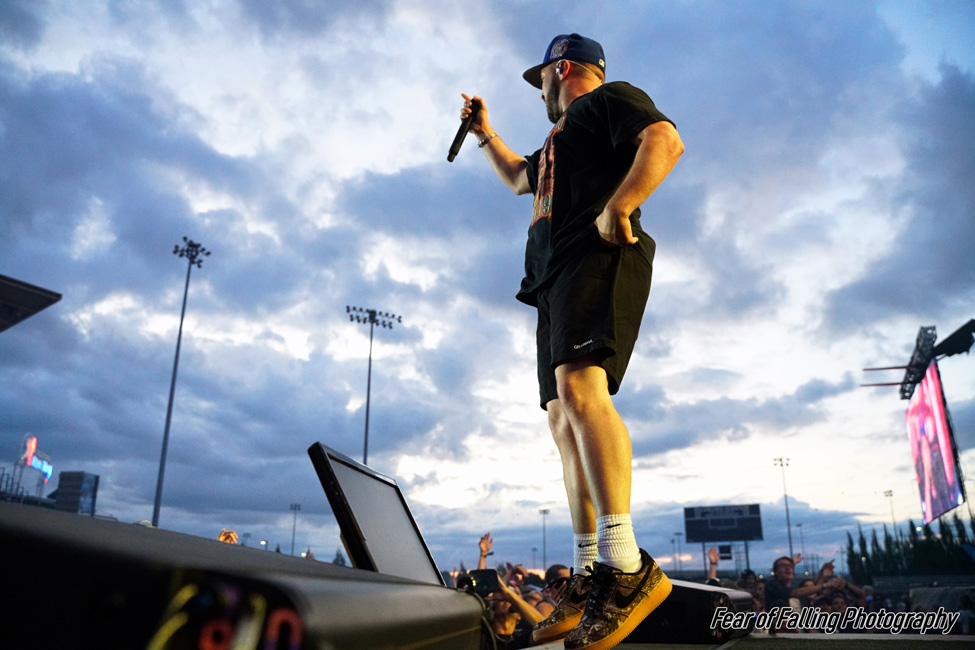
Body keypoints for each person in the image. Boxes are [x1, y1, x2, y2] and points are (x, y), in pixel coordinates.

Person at [460, 32, 684, 650]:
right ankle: (588, 574)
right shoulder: (559, 143)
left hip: (596, 249)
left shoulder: (606, 100)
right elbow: (516, 178)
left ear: (562, 70)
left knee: (580, 388)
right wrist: (484, 132)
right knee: (562, 415)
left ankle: (626, 566)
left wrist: (623, 204)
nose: (543, 96)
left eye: (543, 83)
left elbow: (664, 140)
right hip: (553, 274)